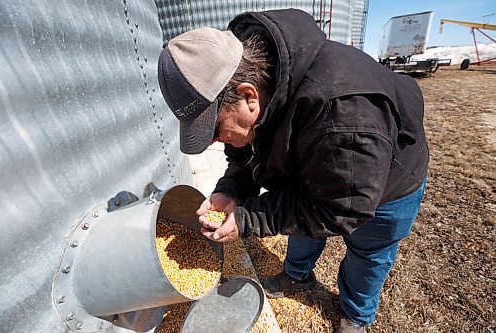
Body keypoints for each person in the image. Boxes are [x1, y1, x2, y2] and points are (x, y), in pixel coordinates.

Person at [157, 8, 428, 333]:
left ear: (247, 97)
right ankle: (297, 274)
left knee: (368, 256)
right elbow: (245, 152)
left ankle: (356, 314)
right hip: (317, 165)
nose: (217, 141)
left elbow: (341, 210)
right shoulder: (260, 76)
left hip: (385, 188)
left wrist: (249, 218)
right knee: (301, 228)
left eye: (215, 129)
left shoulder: (343, 115)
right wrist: (231, 189)